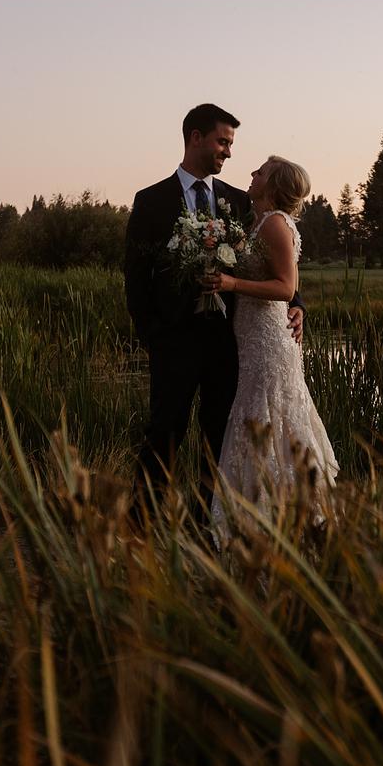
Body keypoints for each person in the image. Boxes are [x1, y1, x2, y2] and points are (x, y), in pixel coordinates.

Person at [123, 104, 305, 522]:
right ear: (195, 137)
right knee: (164, 431)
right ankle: (142, 523)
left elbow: (280, 260)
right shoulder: (151, 201)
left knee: (220, 436)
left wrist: (296, 305)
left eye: (231, 144)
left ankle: (208, 523)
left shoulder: (241, 201)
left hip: (230, 343)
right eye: (223, 142)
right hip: (174, 340)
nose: (228, 152)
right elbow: (135, 277)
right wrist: (152, 333)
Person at [202, 156, 338, 545]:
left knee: (272, 415)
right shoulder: (258, 221)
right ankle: (262, 515)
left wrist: (229, 283)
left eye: (259, 172)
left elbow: (284, 288)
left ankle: (291, 516)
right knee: (258, 417)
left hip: (269, 341)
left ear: (273, 183)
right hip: (251, 339)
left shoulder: (276, 223)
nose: (251, 174)